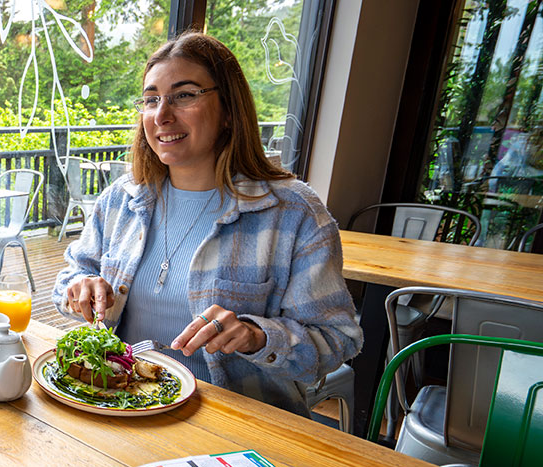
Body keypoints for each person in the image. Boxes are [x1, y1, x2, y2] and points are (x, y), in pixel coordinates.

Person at [52, 32, 361, 416]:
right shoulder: (122, 198)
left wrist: (256, 336)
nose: (162, 115)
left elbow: (337, 341)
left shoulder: (292, 212)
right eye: (151, 100)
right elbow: (71, 276)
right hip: (120, 406)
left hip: (239, 422)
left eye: (184, 95)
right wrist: (79, 287)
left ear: (229, 111)